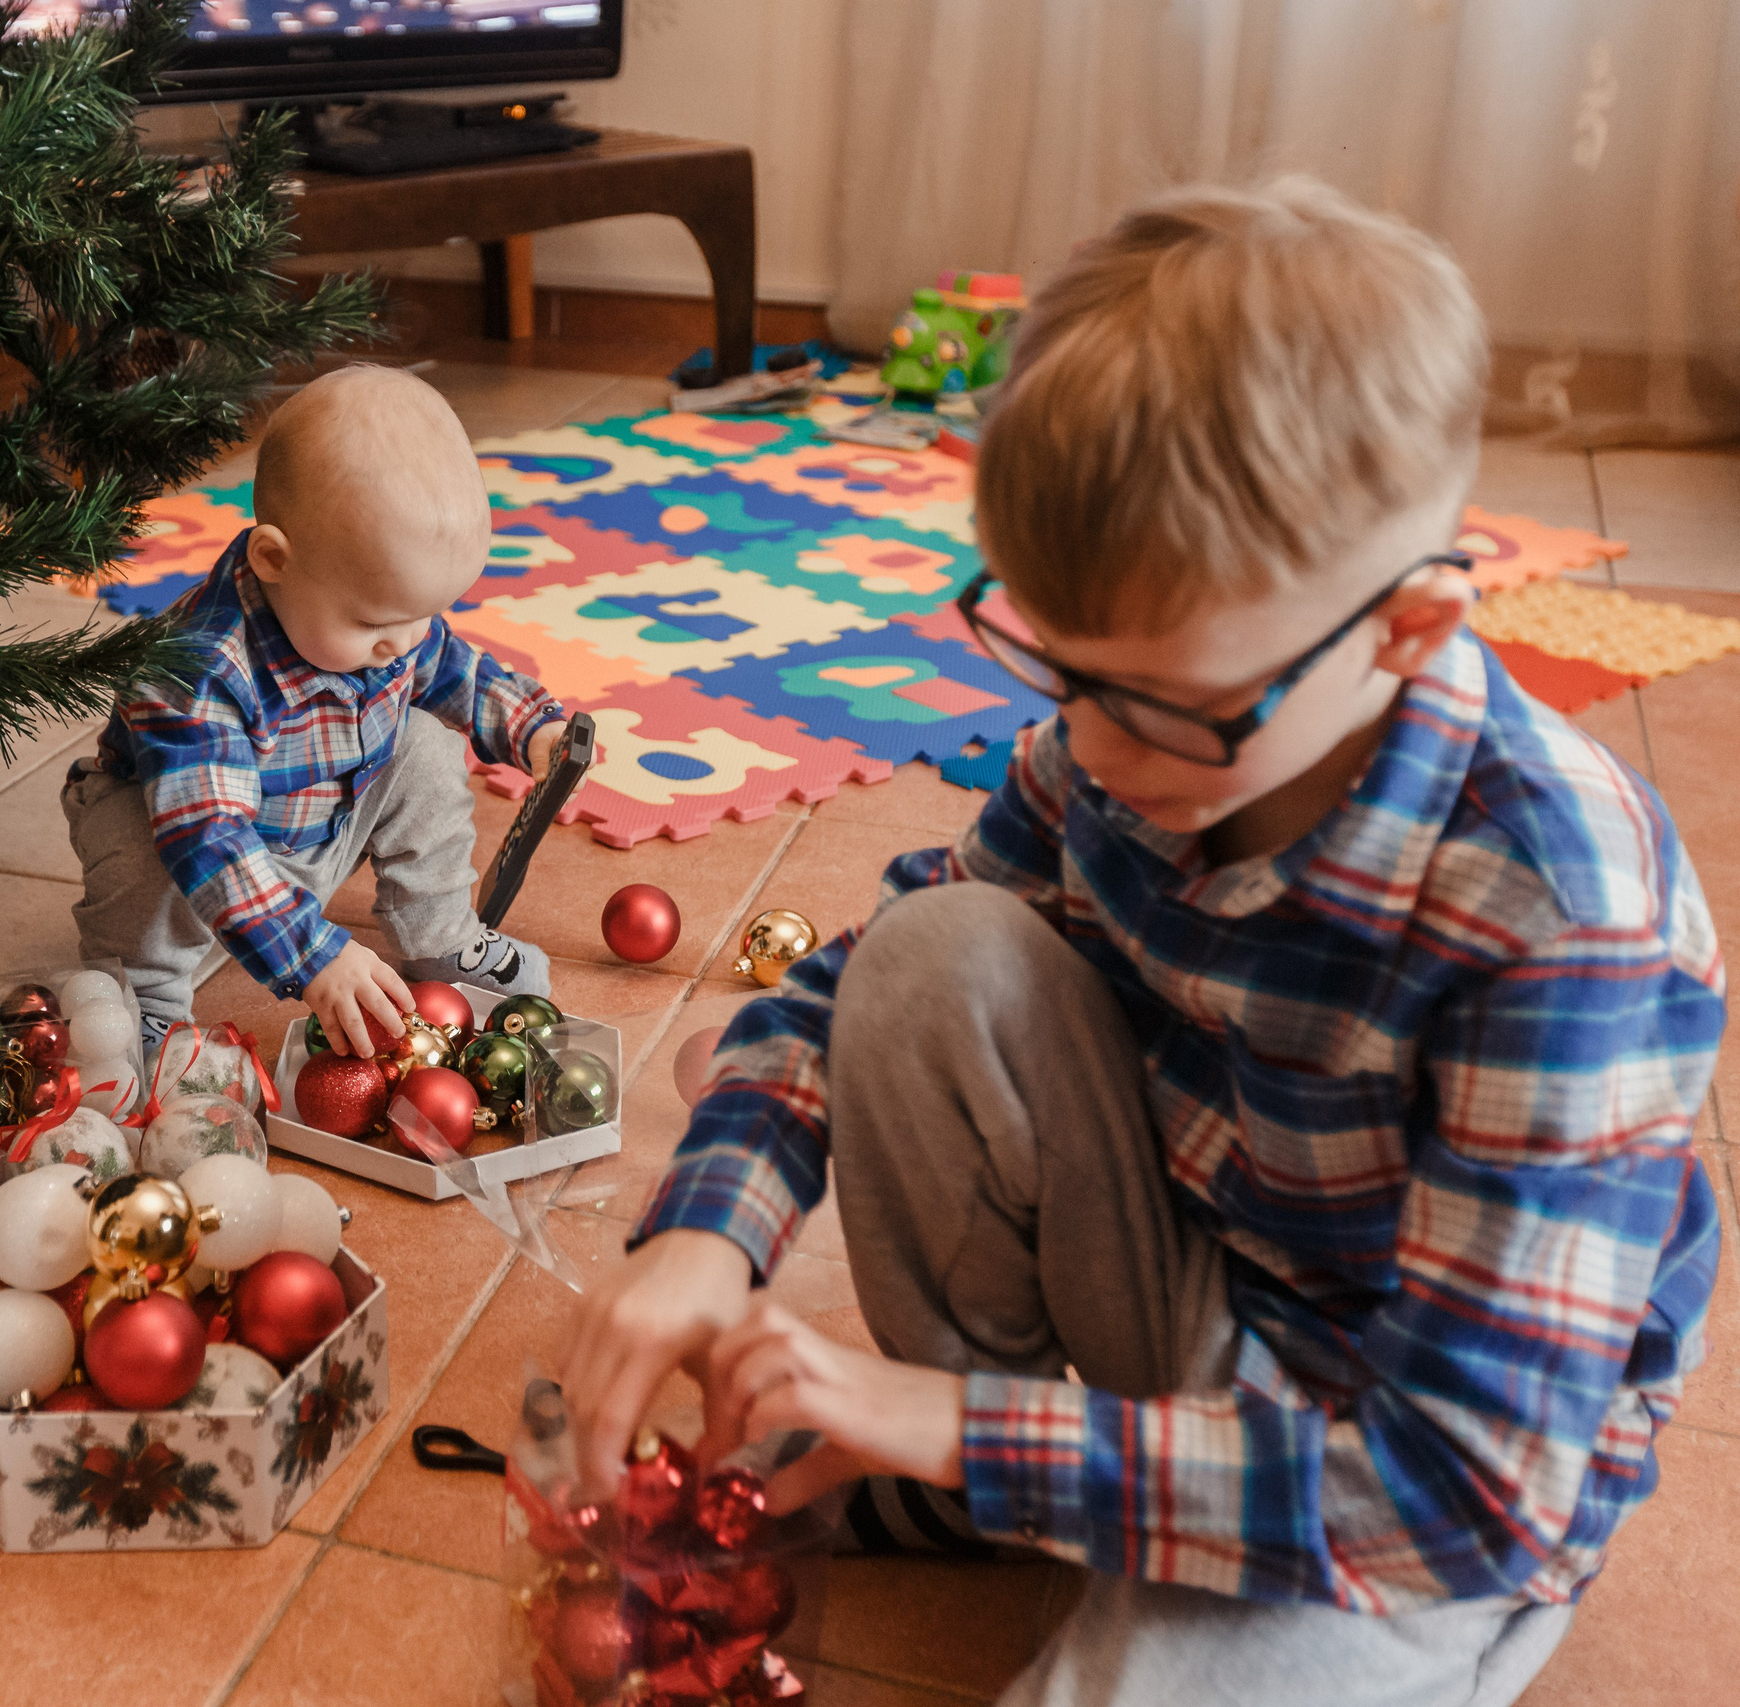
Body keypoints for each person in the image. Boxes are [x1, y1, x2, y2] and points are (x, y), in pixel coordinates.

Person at [559, 179, 1722, 1706]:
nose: (1089, 749)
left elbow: (1461, 1485)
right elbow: (854, 982)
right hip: (1203, 1270)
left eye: (1167, 702)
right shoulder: (1128, 734)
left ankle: (1054, 1487)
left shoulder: (1562, 912)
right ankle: (1015, 1486)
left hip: (1406, 1475)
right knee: (934, 955)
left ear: (1409, 629)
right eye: (1061, 665)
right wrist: (704, 1232)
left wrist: (953, 1424)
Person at [65, 365, 565, 1057]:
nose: (405, 642)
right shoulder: (198, 670)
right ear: (274, 558)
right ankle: (145, 995)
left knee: (425, 742)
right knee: (141, 842)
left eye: (424, 614)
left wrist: (533, 726)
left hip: (317, 831)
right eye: (375, 623)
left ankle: (439, 934)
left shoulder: (383, 618)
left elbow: (454, 668)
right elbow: (210, 836)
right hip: (196, 849)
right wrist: (313, 956)